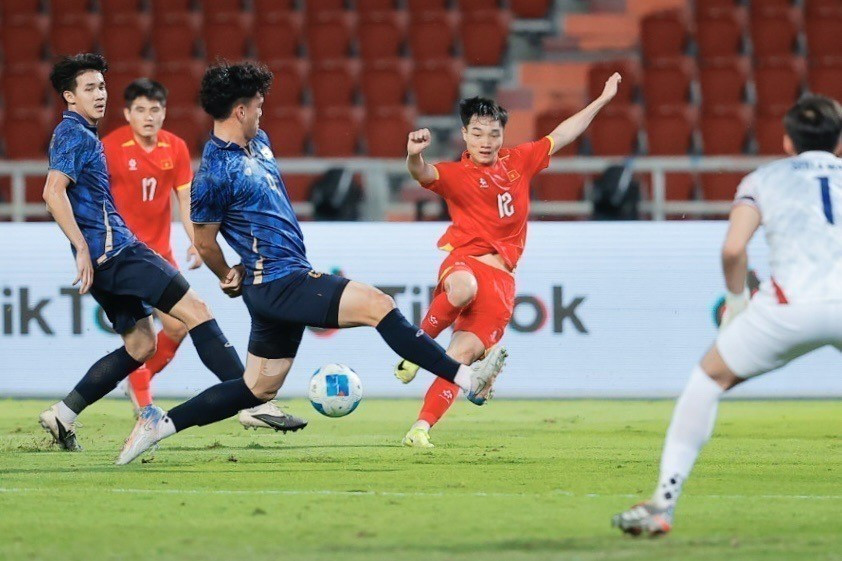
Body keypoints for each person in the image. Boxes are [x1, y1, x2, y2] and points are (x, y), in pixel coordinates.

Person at [115, 61, 507, 465]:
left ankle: (158, 425)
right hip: (279, 282)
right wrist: (225, 273)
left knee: (256, 390)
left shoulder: (260, 141)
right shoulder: (214, 172)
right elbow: (203, 239)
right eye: (258, 107)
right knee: (379, 306)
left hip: (277, 284)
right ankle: (467, 379)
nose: (262, 113)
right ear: (240, 111)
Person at [612, 94, 842, 536]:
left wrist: (737, 301)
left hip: (789, 308)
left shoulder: (765, 178)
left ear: (788, 141)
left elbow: (734, 248)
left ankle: (663, 501)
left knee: (707, 380)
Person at [396, 74, 623, 448]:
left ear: (503, 135)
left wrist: (601, 100)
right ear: (465, 135)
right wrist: (413, 153)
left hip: (501, 287)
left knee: (458, 359)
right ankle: (413, 350)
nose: (487, 142)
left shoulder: (520, 161)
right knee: (462, 286)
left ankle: (420, 428)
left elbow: (565, 133)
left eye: (494, 134)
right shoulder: (455, 174)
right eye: (478, 133)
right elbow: (421, 172)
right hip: (467, 263)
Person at [38, 54, 250, 451]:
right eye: (89, 88)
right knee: (196, 311)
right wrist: (82, 247)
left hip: (107, 260)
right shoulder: (74, 135)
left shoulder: (81, 133)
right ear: (69, 96)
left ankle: (63, 414)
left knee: (140, 345)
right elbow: (52, 192)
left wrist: (84, 251)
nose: (99, 94)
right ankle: (248, 401)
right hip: (119, 252)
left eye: (101, 86)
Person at [102, 78, 304, 431]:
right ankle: (149, 398)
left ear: (164, 112)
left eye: (155, 110)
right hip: (123, 253)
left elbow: (185, 199)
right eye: (140, 110)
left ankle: (139, 386)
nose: (148, 117)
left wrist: (195, 240)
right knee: (154, 334)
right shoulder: (110, 147)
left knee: (178, 327)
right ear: (127, 114)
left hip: (159, 255)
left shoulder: (175, 148)